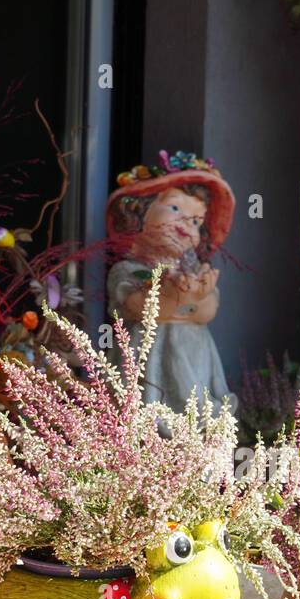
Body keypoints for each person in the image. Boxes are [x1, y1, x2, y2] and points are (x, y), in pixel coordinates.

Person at [105, 152, 236, 414]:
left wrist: (201, 295)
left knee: (196, 420)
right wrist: (182, 298)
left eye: (197, 221)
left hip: (196, 371)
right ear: (139, 213)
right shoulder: (127, 271)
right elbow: (146, 309)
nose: (187, 224)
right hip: (148, 374)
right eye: (175, 208)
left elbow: (207, 312)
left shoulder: (195, 271)